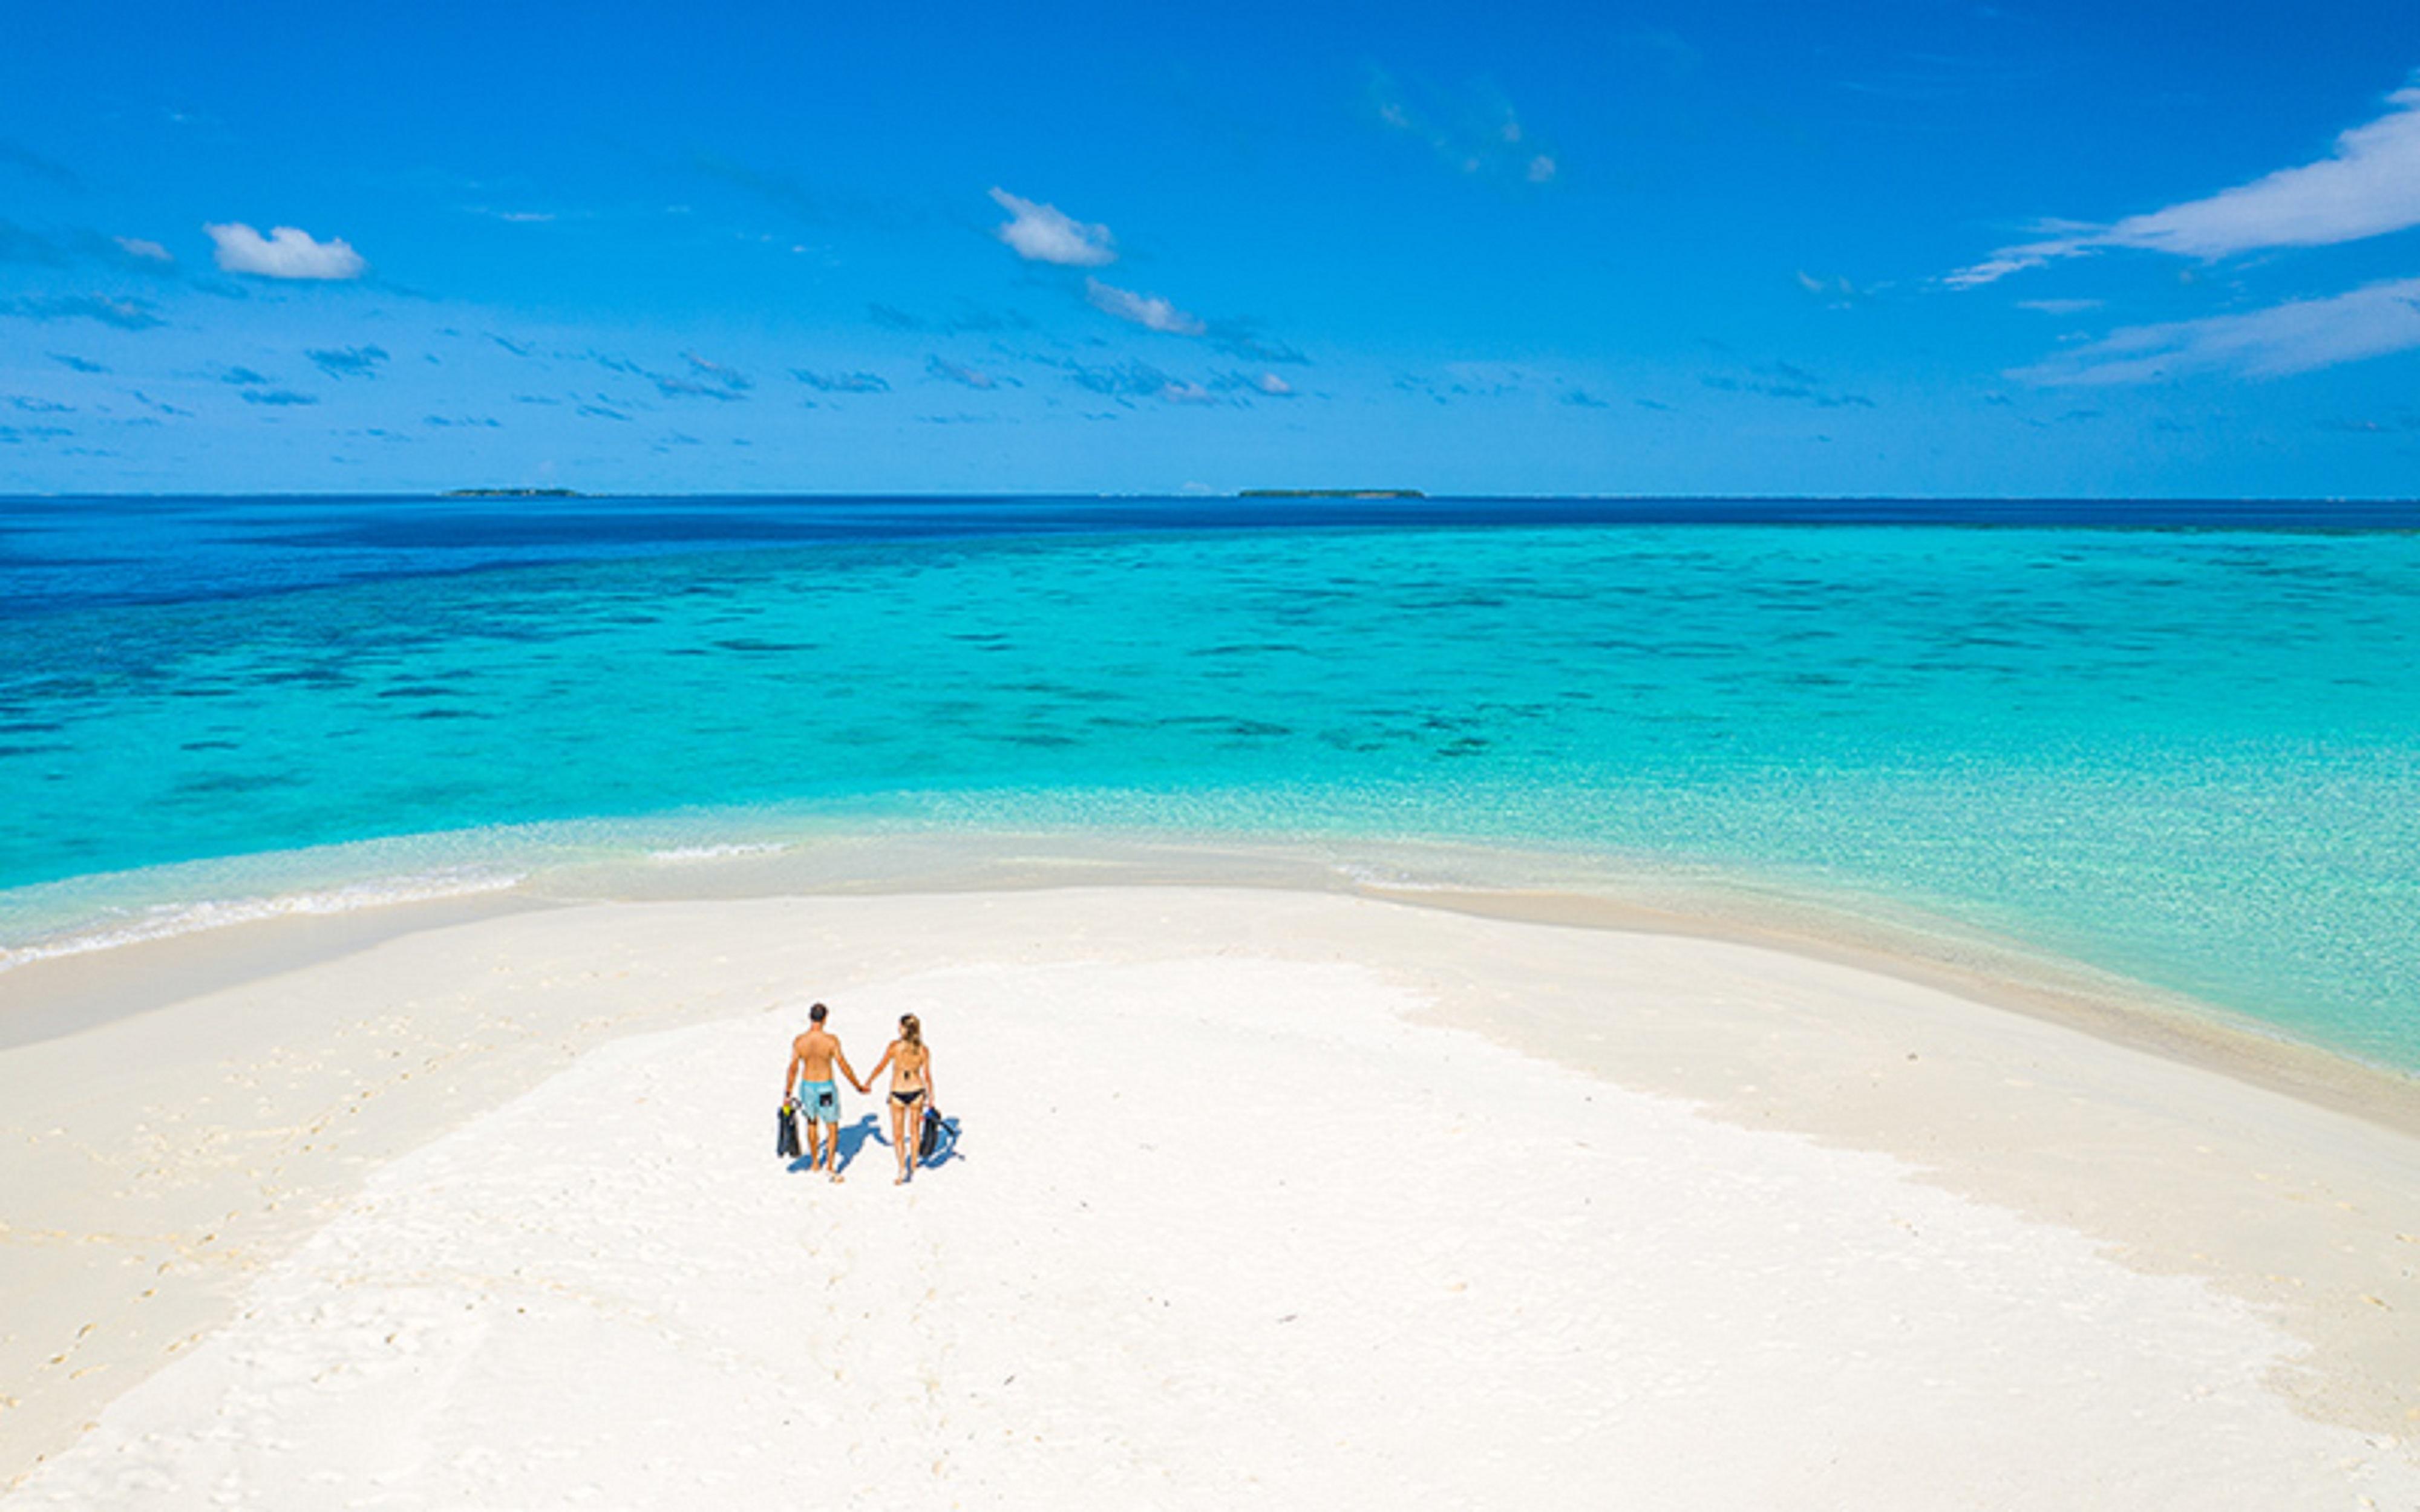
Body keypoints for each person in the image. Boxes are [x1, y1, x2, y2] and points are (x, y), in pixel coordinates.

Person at [783, 1002, 865, 1182]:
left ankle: (814, 1162)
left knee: (812, 1123)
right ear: (825, 1018)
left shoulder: (800, 1041)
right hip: (826, 1086)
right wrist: (857, 1085)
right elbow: (843, 1065)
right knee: (832, 1126)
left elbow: (793, 1069)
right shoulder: (831, 1041)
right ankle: (830, 1165)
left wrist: (787, 1092)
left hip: (807, 1086)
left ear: (810, 1017)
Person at [865, 1014, 936, 1185]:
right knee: (914, 1131)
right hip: (917, 1090)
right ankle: (913, 1165)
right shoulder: (923, 1050)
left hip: (898, 1091)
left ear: (904, 1028)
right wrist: (932, 1097)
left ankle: (902, 1168)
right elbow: (927, 1076)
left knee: (898, 1134)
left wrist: (869, 1081)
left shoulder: (894, 1047)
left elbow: (881, 1066)